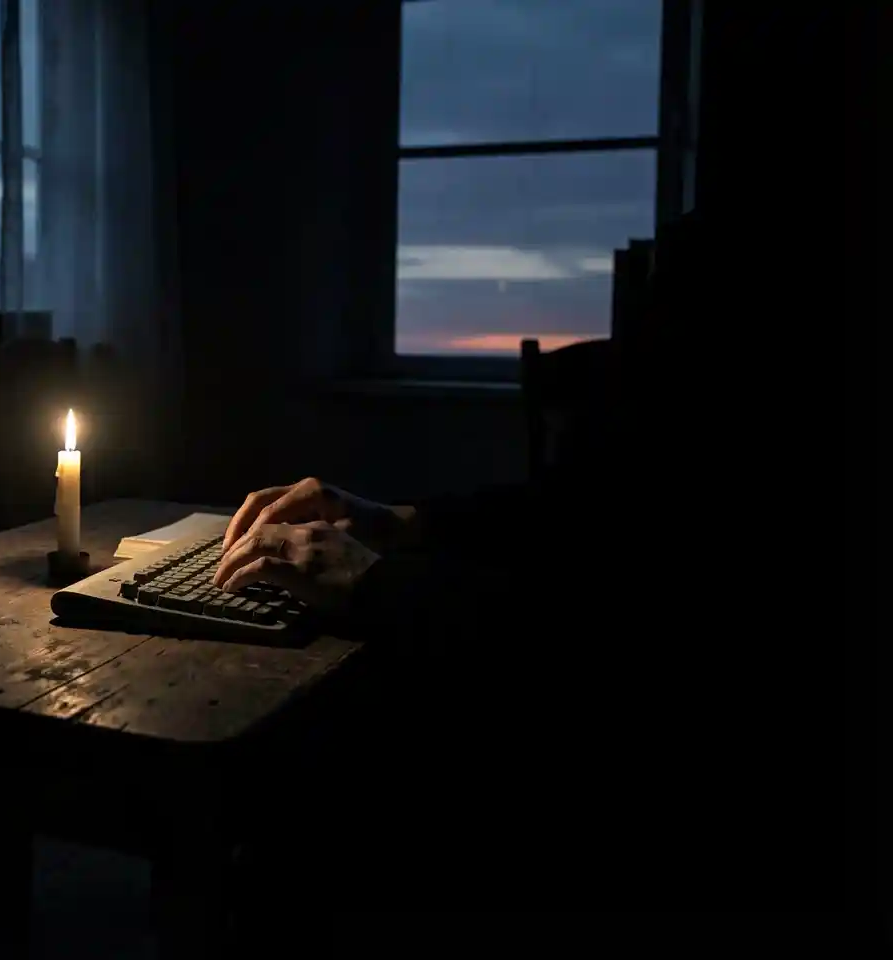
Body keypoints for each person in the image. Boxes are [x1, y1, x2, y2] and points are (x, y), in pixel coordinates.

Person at [216, 214, 840, 937]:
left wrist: (374, 580)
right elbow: (580, 513)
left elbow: (586, 634)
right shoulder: (671, 440)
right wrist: (401, 520)